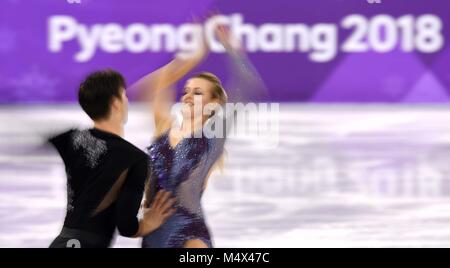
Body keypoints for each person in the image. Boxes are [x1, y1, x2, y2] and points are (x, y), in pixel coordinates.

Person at [48, 70, 176, 248]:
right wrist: (149, 222)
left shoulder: (70, 138)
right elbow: (126, 226)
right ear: (116, 103)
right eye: (124, 95)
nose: (127, 101)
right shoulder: (135, 159)